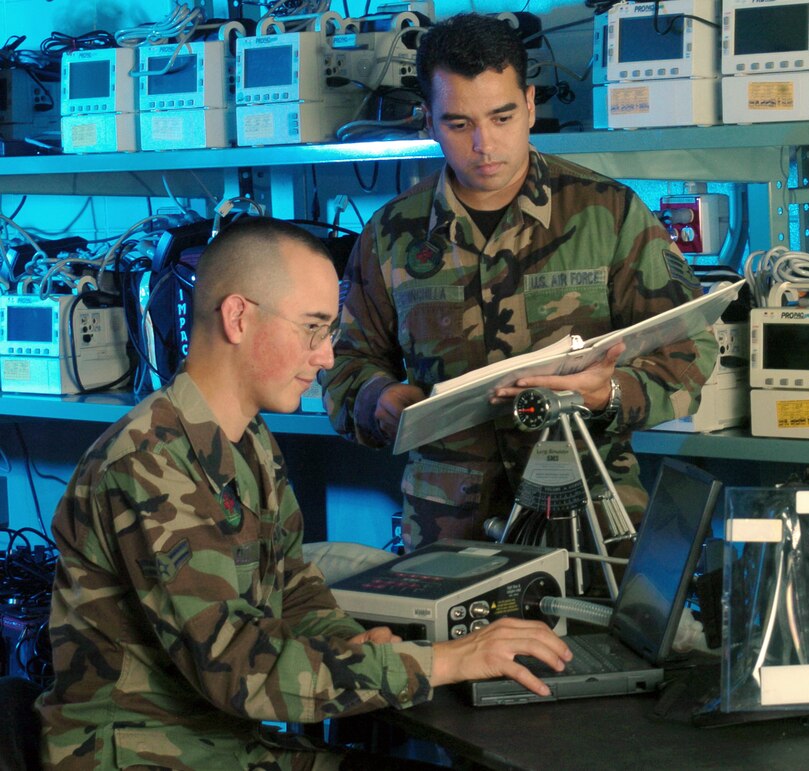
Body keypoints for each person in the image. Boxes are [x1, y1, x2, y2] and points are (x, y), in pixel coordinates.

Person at [36, 217, 571, 770]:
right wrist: (443, 661)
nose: (326, 358)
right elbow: (238, 671)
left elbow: (292, 587)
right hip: (147, 755)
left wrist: (355, 646)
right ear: (238, 317)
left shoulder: (248, 440)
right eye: (313, 328)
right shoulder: (148, 463)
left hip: (223, 743)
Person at [322, 13, 717, 551]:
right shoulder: (392, 234)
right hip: (448, 535)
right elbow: (343, 367)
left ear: (530, 104)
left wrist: (612, 392)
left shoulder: (609, 214)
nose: (484, 144)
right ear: (429, 121)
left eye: (502, 117)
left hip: (591, 523)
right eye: (459, 124)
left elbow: (690, 347)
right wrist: (377, 399)